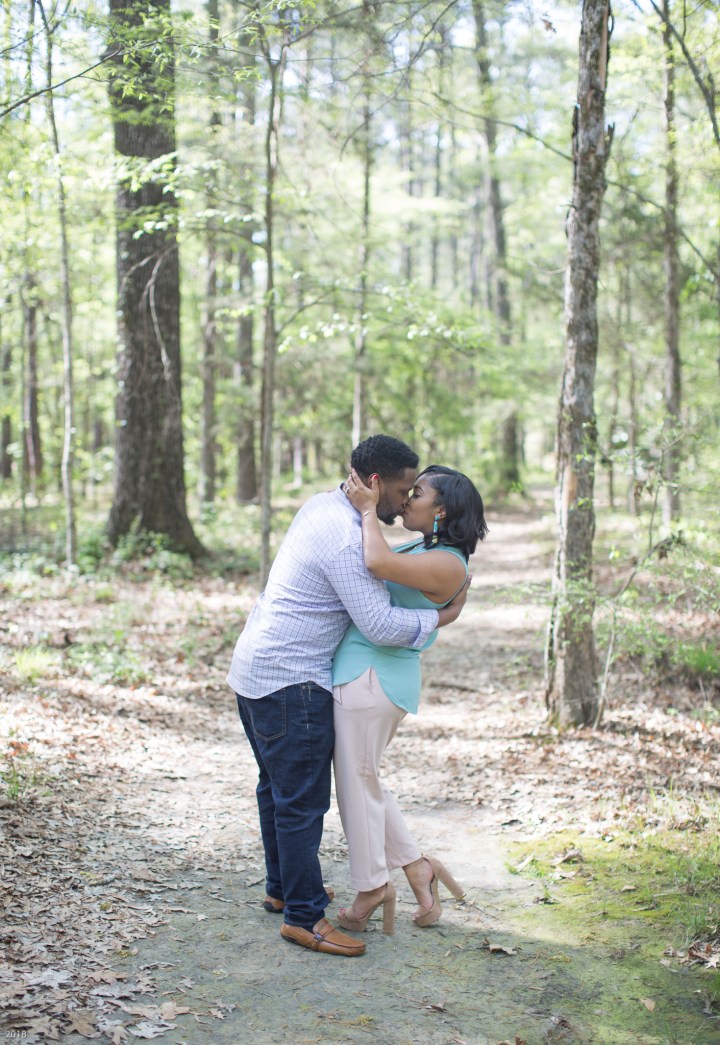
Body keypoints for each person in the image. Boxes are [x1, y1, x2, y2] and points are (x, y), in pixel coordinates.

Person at [226, 436, 470, 958]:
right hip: (292, 678)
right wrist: (441, 619)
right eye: (404, 490)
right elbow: (380, 623)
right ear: (376, 482)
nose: (406, 502)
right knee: (301, 802)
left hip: (255, 666)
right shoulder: (346, 537)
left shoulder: (322, 503)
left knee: (276, 789)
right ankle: (303, 917)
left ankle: (281, 889)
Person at [332, 464, 488, 934]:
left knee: (357, 785)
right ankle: (417, 868)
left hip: (373, 677)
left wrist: (364, 511)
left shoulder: (447, 561)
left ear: (440, 510)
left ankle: (370, 887)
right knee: (365, 779)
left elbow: (377, 564)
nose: (406, 500)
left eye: (416, 494)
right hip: (367, 673)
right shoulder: (430, 549)